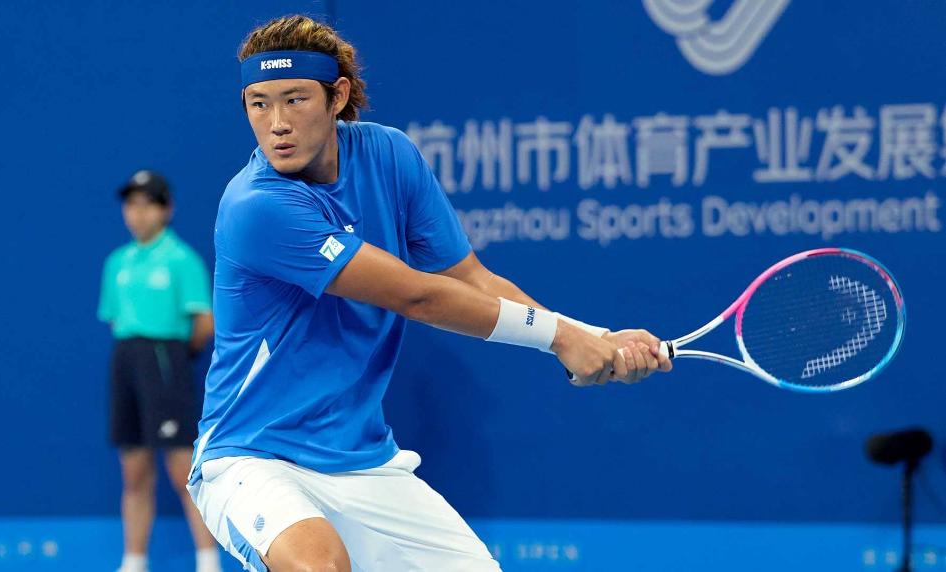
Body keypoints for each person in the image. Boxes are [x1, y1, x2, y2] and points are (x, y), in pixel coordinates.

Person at [187, 15, 672, 572]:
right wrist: (562, 339)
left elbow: (473, 280)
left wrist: (592, 336)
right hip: (252, 454)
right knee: (319, 566)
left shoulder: (390, 155)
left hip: (362, 460)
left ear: (337, 96)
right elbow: (419, 296)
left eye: (295, 100)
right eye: (259, 104)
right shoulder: (257, 206)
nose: (277, 124)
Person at [98, 170, 222, 572]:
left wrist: (174, 359)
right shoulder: (117, 262)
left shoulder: (182, 259)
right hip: (126, 361)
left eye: (147, 204)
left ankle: (208, 561)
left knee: (182, 469)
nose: (137, 213)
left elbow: (204, 323)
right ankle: (134, 562)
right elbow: (115, 319)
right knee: (133, 470)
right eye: (130, 204)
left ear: (166, 209)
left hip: (166, 362)